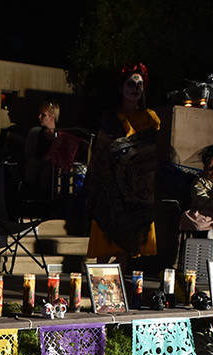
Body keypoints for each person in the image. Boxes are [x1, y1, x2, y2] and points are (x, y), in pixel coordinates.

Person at [86, 64, 161, 261]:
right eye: (131, 83)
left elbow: (154, 150)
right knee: (106, 242)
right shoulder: (110, 119)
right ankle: (97, 286)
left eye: (140, 84)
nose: (135, 88)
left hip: (138, 191)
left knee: (128, 247)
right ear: (121, 88)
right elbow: (101, 154)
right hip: (111, 190)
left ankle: (119, 288)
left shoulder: (150, 118)